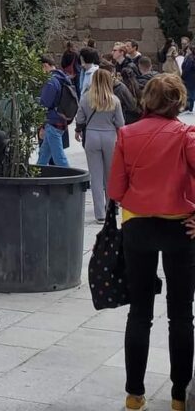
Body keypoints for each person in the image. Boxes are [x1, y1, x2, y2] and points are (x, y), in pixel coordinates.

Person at [108, 74, 195, 411]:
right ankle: (177, 396)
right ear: (179, 102)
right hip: (179, 230)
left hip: (138, 229)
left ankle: (134, 394)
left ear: (146, 100)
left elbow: (115, 191)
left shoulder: (127, 135)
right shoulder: (186, 134)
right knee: (181, 315)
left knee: (140, 313)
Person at [75, 67, 125, 222]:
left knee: (95, 176)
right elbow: (120, 123)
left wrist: (78, 130)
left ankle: (99, 214)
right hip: (110, 136)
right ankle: (111, 208)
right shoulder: (114, 100)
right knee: (110, 175)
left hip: (91, 135)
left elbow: (80, 119)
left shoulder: (85, 98)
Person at [37, 57, 74, 168]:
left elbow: (45, 103)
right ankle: (38, 175)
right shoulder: (62, 78)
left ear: (45, 65)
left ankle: (69, 179)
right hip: (60, 119)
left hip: (52, 121)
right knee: (44, 154)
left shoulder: (51, 80)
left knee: (59, 158)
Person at [182, 45, 195, 112]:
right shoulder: (190, 57)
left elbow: (186, 68)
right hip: (192, 77)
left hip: (189, 77)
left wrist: (183, 76)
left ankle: (189, 107)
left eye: (188, 49)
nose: (186, 50)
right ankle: (189, 107)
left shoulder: (189, 58)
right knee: (192, 91)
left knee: (190, 93)